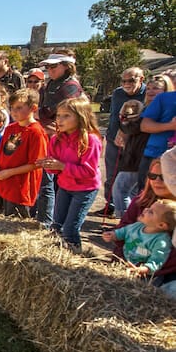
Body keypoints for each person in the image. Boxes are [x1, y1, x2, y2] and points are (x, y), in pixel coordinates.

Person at [36, 97, 102, 251]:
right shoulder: (56, 139)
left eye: (66, 116)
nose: (60, 120)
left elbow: (89, 172)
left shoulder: (90, 140)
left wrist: (62, 166)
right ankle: (56, 252)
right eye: (58, 115)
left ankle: (73, 253)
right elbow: (55, 169)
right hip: (65, 186)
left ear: (81, 117)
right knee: (57, 225)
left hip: (85, 189)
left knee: (70, 228)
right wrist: (48, 165)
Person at [107, 158, 176, 297]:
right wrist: (116, 240)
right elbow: (124, 229)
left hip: (162, 271)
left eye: (163, 177)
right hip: (129, 264)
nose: (157, 181)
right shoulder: (141, 201)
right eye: (152, 176)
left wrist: (147, 268)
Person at [35, 51, 84, 226]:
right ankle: (47, 218)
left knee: (52, 181)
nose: (50, 70)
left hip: (62, 136)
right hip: (49, 134)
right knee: (47, 178)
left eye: (53, 66)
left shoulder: (71, 85)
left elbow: (58, 109)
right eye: (48, 67)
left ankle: (49, 220)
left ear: (66, 66)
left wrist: (40, 113)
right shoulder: (52, 84)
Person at [0, 88, 46, 217]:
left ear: (33, 108)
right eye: (12, 107)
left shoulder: (36, 132)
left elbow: (36, 164)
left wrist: (9, 172)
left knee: (14, 219)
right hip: (1, 182)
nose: (14, 111)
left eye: (19, 108)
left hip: (19, 186)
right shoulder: (10, 129)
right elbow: (3, 154)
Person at [99, 67, 146, 216]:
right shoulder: (117, 93)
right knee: (111, 176)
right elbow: (114, 116)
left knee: (130, 180)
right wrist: (112, 134)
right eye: (123, 81)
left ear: (141, 79)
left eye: (131, 80)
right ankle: (110, 205)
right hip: (114, 139)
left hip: (134, 145)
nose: (126, 84)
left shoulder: (147, 94)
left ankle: (129, 212)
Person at [102, 199, 175, 278]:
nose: (145, 209)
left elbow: (157, 260)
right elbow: (124, 231)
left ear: (161, 225)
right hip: (124, 260)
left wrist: (143, 269)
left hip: (140, 270)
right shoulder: (137, 226)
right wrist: (113, 235)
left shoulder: (161, 241)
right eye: (149, 208)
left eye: (151, 212)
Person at [111, 100, 148, 217]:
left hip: (135, 161)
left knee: (120, 190)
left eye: (134, 106)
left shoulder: (141, 120)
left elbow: (131, 128)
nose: (130, 109)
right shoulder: (127, 124)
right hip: (132, 158)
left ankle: (124, 219)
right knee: (133, 193)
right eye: (128, 106)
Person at [139, 82, 176, 187]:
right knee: (146, 194)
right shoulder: (165, 98)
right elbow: (145, 126)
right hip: (155, 156)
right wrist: (171, 126)